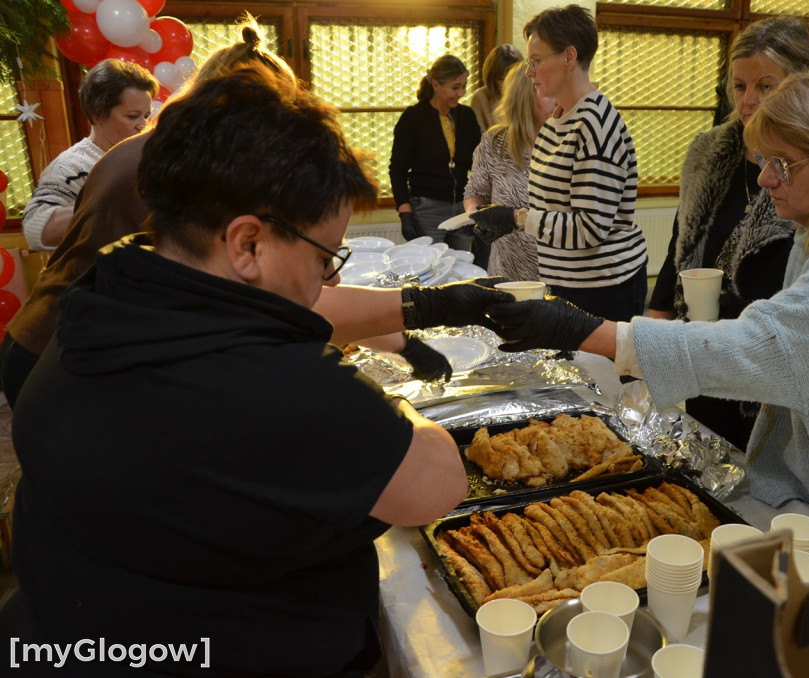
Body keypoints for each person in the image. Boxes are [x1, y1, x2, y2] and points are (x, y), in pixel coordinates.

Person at [8, 66, 469, 677]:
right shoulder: (267, 382)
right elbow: (437, 483)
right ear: (247, 243)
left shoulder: (110, 289)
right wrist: (396, 401)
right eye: (326, 258)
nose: (325, 283)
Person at [486, 65, 809, 515]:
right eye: (764, 160)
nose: (768, 179)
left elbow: (761, 348)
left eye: (784, 163)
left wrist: (581, 329)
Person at [0, 21, 502, 405]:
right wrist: (420, 322)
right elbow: (287, 298)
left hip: (77, 342)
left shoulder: (170, 150)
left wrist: (402, 335)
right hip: (60, 349)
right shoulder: (189, 169)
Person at [647, 15, 809, 448]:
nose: (749, 100)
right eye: (740, 86)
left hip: (771, 363)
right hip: (703, 344)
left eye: (766, 86)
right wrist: (656, 319)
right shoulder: (708, 152)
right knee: (711, 460)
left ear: (802, 86)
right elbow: (680, 240)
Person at [469, 4, 648, 322]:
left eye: (536, 61)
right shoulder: (558, 120)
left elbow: (589, 228)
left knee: (597, 373)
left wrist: (514, 218)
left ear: (569, 57)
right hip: (565, 281)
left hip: (602, 288)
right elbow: (550, 210)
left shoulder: (595, 123)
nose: (529, 72)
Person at [20, 58, 158, 251]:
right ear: (97, 114)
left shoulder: (149, 158)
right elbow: (36, 230)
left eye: (146, 116)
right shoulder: (71, 166)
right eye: (132, 116)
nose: (142, 125)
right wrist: (113, 202)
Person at [464, 62, 556, 280]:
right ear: (524, 97)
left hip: (557, 275)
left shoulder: (568, 140)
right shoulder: (494, 143)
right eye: (548, 92)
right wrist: (479, 216)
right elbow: (475, 192)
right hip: (507, 272)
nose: (558, 99)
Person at [389, 54, 481, 251]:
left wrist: (477, 204)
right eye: (455, 87)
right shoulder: (413, 118)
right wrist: (405, 213)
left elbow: (479, 164)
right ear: (436, 84)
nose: (461, 93)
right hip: (426, 210)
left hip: (461, 209)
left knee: (465, 268)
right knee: (432, 270)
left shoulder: (466, 116)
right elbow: (397, 170)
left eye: (464, 86)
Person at [469, 43, 523, 131]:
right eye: (501, 79)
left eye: (511, 78)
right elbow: (478, 139)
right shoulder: (481, 97)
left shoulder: (528, 96)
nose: (507, 84)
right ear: (492, 79)